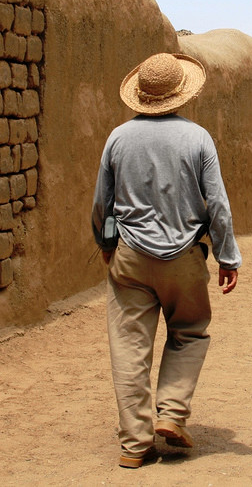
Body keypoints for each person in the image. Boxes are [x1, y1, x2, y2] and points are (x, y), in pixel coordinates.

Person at [92, 52, 242, 469]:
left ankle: (134, 445)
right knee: (189, 331)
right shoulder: (198, 139)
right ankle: (171, 413)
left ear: (141, 94)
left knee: (129, 346)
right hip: (184, 257)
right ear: (181, 93)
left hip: (130, 257)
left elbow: (102, 203)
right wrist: (227, 257)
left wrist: (105, 243)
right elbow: (218, 204)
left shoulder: (118, 138)